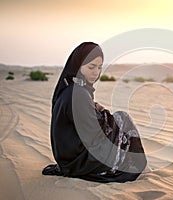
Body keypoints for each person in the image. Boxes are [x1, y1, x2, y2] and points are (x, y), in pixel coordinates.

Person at [42, 42, 147, 183]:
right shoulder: (78, 93)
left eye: (99, 67)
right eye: (91, 67)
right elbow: (93, 134)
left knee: (117, 120)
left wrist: (93, 108)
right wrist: (104, 114)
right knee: (123, 118)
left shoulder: (71, 86)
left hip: (68, 159)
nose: (96, 73)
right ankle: (130, 164)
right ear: (78, 65)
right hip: (79, 162)